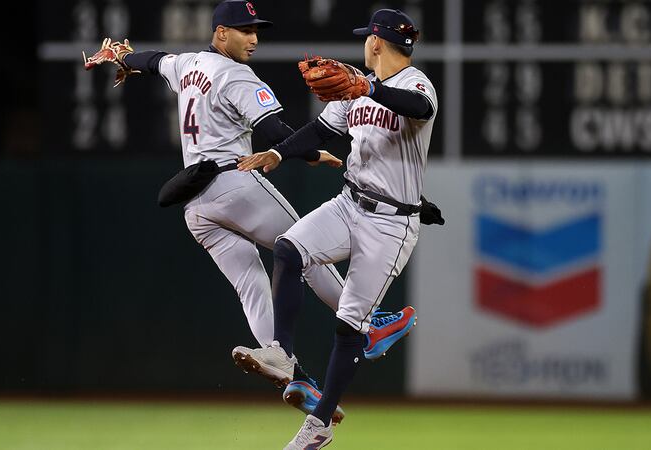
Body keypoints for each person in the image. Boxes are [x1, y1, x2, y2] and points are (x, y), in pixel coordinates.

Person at [83, 0, 347, 423]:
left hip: (196, 205)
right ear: (221, 32)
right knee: (303, 248)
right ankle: (367, 325)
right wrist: (315, 153)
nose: (254, 39)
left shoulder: (187, 64)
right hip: (233, 184)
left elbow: (155, 61)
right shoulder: (236, 74)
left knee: (251, 284)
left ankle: (294, 374)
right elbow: (273, 131)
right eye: (245, 30)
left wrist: (126, 59)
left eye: (256, 30)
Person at [231, 8, 436, 449]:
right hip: (349, 203)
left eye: (366, 37)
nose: (363, 44)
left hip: (391, 225)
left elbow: (419, 107)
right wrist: (279, 153)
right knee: (288, 248)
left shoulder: (414, 83)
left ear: (376, 42)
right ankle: (281, 353)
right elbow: (319, 131)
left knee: (348, 327)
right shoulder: (356, 89)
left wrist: (369, 88)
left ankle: (320, 423)